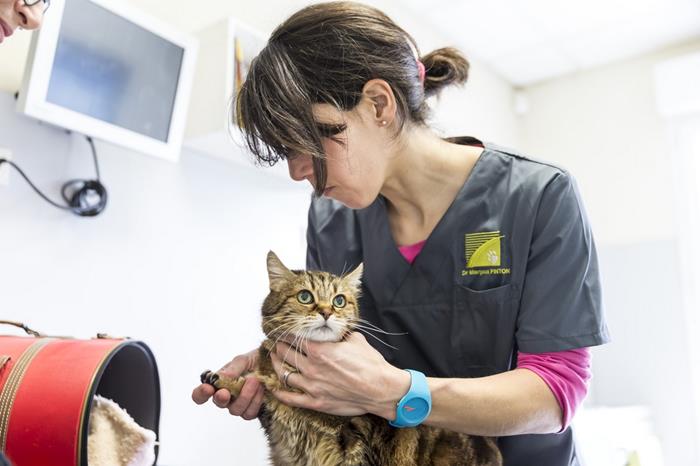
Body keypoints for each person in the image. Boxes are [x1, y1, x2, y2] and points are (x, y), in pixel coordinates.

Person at [192, 2, 610, 464]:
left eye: (307, 143)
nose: (297, 171)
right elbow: (338, 342)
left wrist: (395, 392)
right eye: (285, 152)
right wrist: (285, 361)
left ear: (378, 104)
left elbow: (557, 392)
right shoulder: (331, 218)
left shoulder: (537, 196)